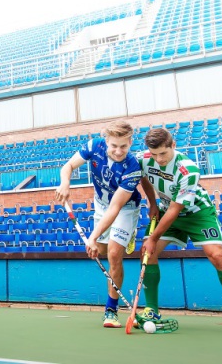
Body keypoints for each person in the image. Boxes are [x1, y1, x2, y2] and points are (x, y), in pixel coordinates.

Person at [138, 128, 222, 335]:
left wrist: (153, 237)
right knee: (148, 254)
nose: (158, 159)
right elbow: (144, 178)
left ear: (173, 145)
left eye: (163, 154)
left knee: (217, 256)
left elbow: (177, 209)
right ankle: (152, 311)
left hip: (197, 213)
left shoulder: (188, 169)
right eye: (154, 154)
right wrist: (152, 203)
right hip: (166, 210)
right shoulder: (144, 159)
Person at [55, 120, 142, 328]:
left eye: (124, 146)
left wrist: (92, 237)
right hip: (101, 204)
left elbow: (115, 208)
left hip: (123, 208)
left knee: (113, 254)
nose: (118, 151)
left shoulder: (132, 167)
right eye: (114, 146)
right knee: (101, 251)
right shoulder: (94, 146)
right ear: (106, 141)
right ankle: (116, 239)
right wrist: (65, 183)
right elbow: (68, 166)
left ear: (130, 142)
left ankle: (111, 310)